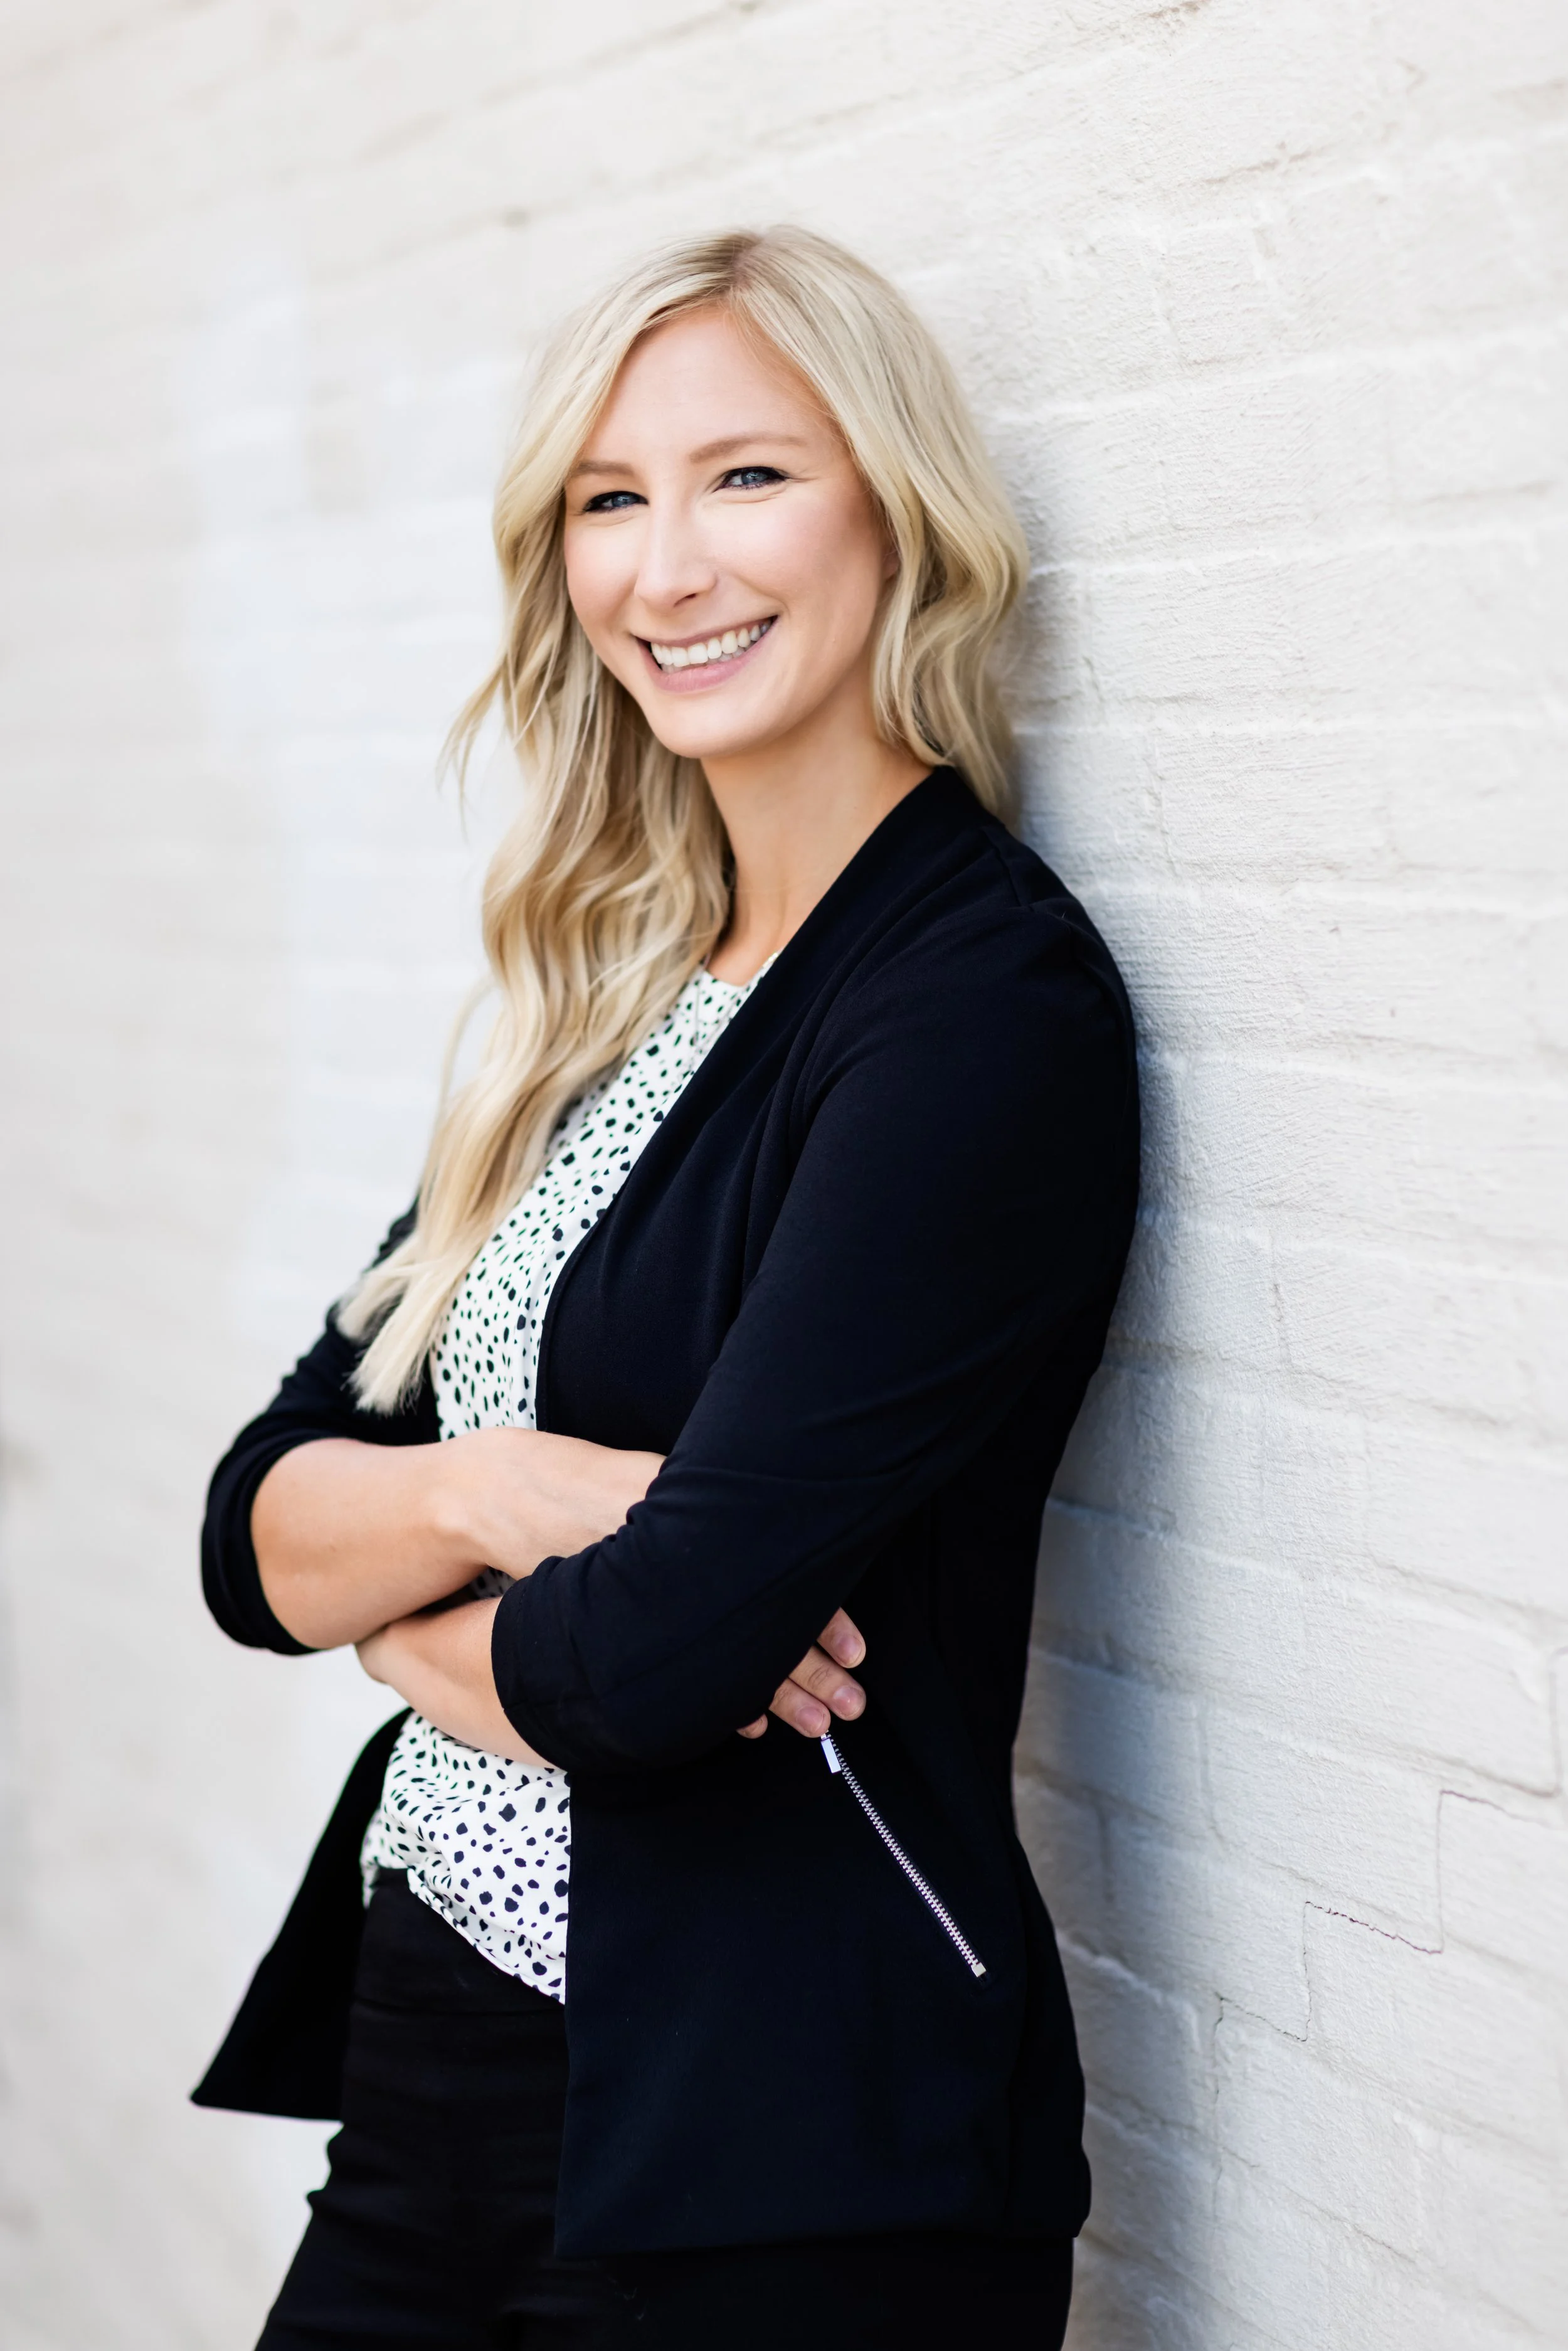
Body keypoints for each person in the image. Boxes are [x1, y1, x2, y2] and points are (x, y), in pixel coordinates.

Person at [196, 225, 1138, 2350]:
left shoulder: (971, 1012)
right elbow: (253, 1526)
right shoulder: (608, 989)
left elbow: (640, 1670)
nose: (667, 567)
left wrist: (398, 1621)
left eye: (746, 477)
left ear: (894, 508)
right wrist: (495, 1495)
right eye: (609, 500)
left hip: (765, 2155)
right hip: (435, 2066)